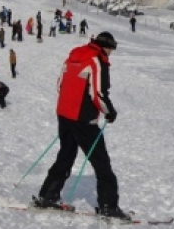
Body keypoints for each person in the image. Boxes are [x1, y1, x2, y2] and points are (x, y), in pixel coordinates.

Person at [35, 32, 130, 221]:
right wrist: (109, 112)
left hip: (64, 114)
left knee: (66, 155)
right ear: (106, 47)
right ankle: (108, 206)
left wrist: (68, 107)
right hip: (83, 120)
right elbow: (98, 93)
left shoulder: (74, 55)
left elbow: (60, 84)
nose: (111, 53)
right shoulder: (97, 60)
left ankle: (48, 195)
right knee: (102, 163)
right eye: (111, 49)